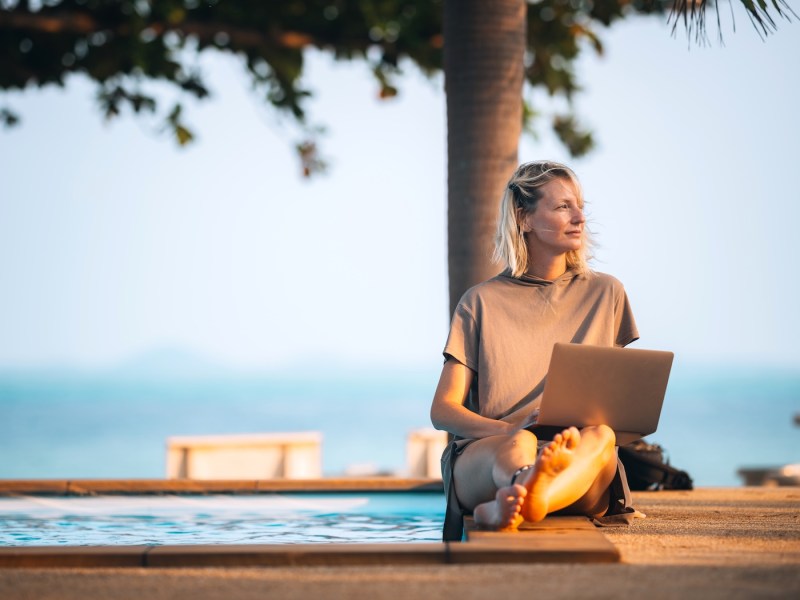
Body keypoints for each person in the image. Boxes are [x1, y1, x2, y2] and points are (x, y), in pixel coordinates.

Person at [431, 160, 640, 541]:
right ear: (523, 218)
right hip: (490, 451)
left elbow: (614, 403)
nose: (579, 217)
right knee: (521, 442)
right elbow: (443, 410)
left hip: (577, 459)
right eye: (563, 207)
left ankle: (524, 498)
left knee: (603, 436)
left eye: (580, 206)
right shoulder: (480, 301)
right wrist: (510, 427)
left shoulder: (606, 293)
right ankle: (529, 486)